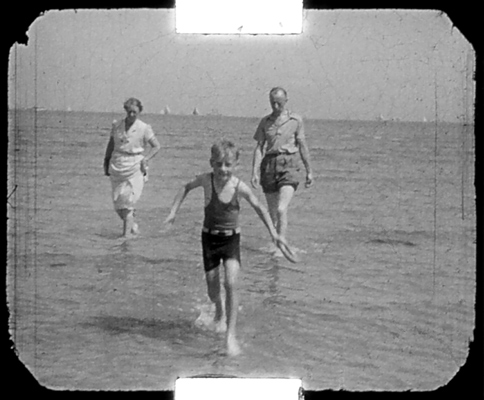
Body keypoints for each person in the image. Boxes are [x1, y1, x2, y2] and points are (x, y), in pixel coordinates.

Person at [164, 139, 289, 356]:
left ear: (236, 165)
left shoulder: (239, 187)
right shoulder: (205, 180)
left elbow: (260, 208)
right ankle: (219, 310)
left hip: (231, 241)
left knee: (231, 282)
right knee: (213, 290)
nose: (223, 169)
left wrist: (274, 234)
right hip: (209, 240)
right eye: (219, 164)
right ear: (212, 163)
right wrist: (173, 212)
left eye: (228, 165)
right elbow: (185, 187)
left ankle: (230, 336)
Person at [251, 87, 313, 255]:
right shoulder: (265, 122)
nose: (276, 106)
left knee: (280, 209)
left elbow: (302, 145)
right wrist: (254, 172)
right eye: (272, 103)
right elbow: (259, 148)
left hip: (289, 163)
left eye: (279, 103)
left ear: (286, 101)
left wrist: (309, 171)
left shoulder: (296, 120)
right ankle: (275, 244)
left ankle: (281, 246)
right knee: (272, 213)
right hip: (269, 165)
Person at [104, 97, 160, 237]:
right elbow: (111, 144)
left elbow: (156, 146)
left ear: (139, 111)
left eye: (134, 112)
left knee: (128, 204)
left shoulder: (144, 128)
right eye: (129, 111)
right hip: (117, 164)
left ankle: (125, 238)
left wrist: (146, 159)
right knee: (118, 204)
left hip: (135, 166)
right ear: (125, 111)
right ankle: (132, 225)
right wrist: (106, 161)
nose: (131, 115)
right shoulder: (117, 125)